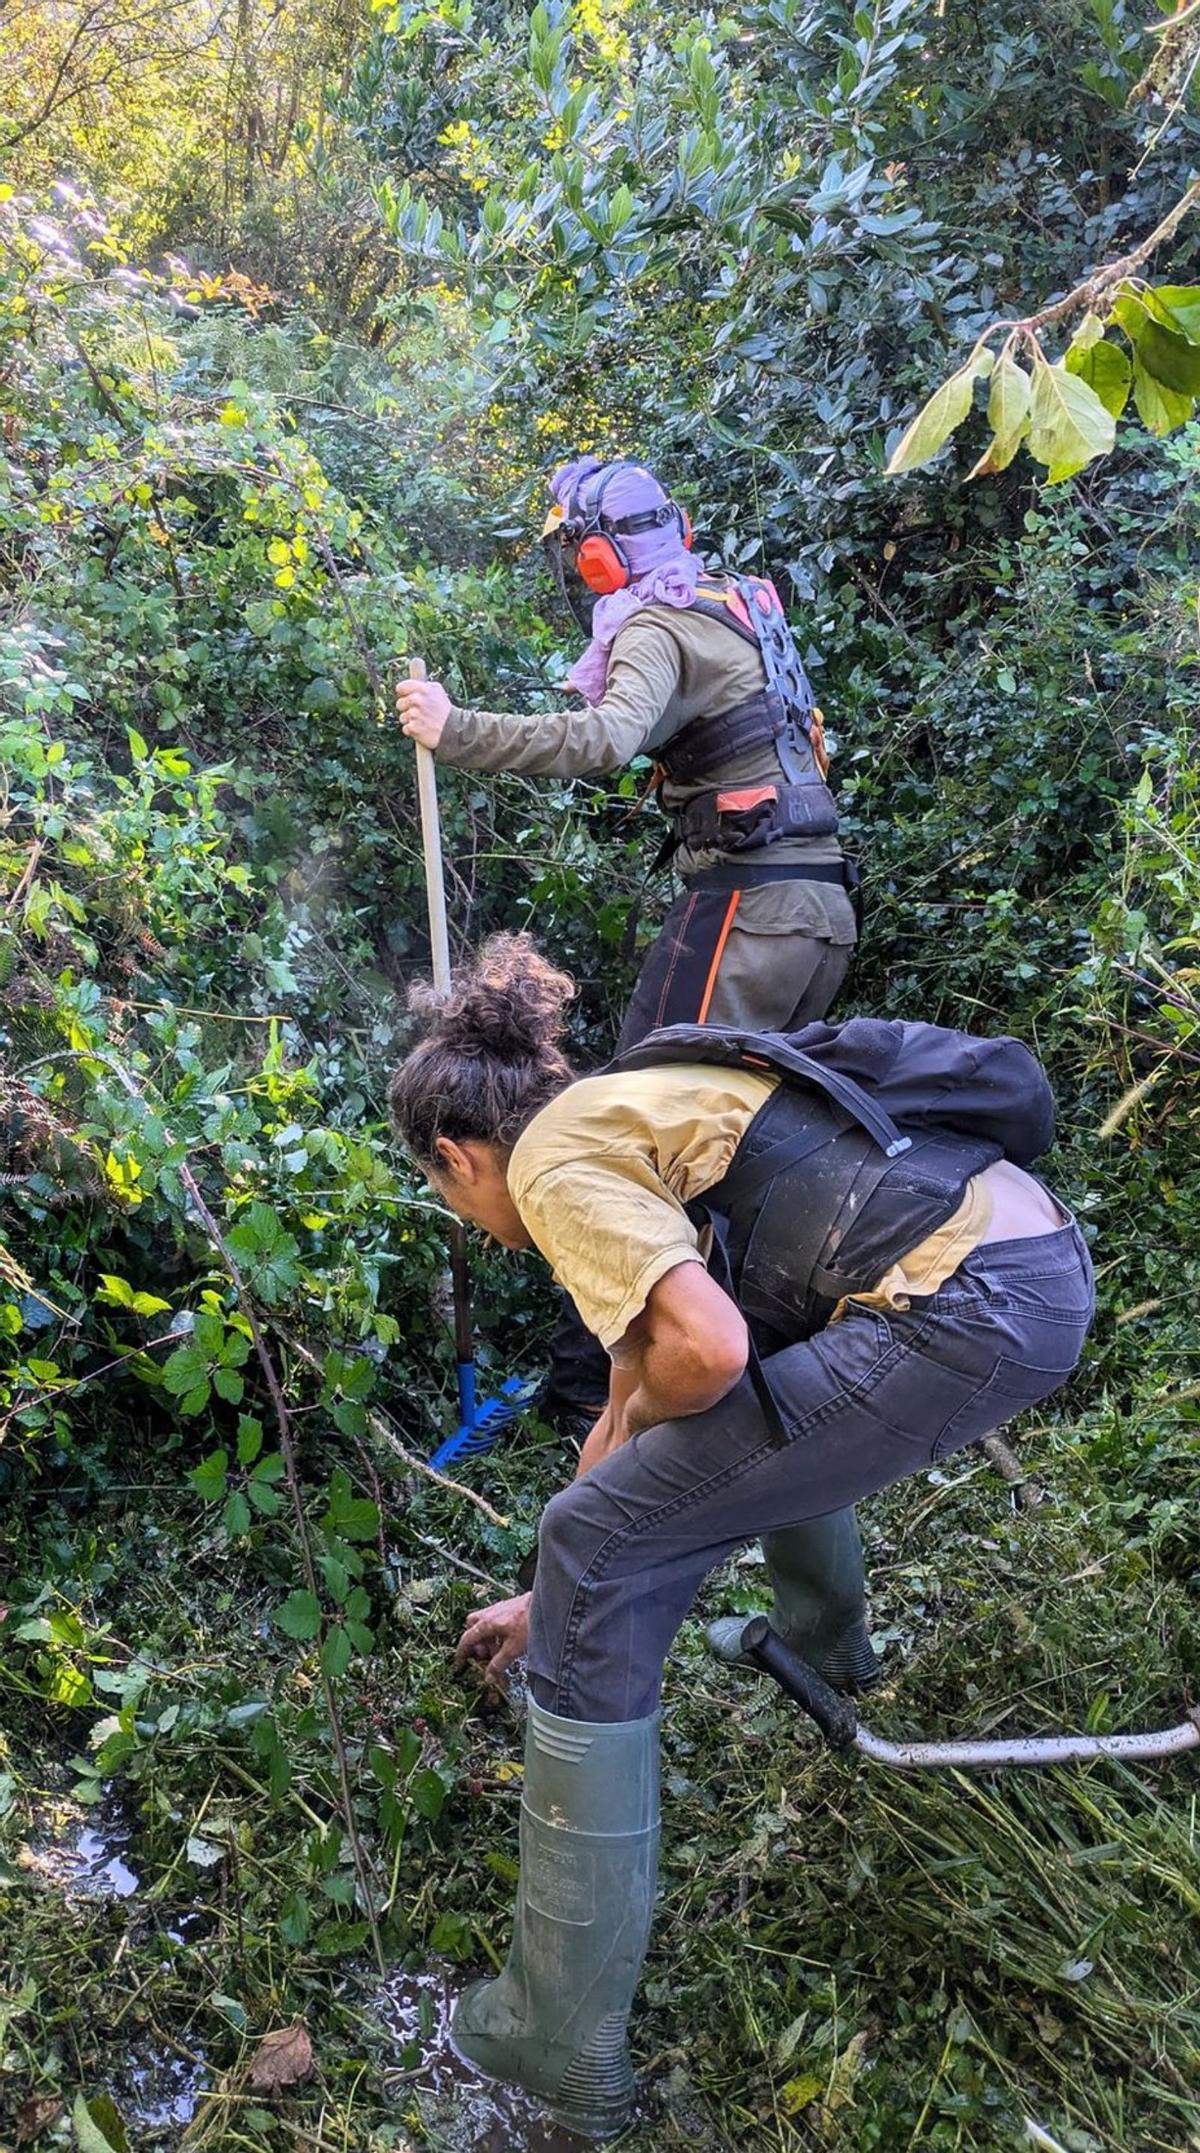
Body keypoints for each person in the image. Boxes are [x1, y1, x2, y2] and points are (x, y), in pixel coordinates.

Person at [388, 934, 1094, 2142]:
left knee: (602, 1545)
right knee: (631, 1503)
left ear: (456, 1157)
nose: (470, 1215)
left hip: (966, 1305)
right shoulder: (625, 1108)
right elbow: (632, 1400)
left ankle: (556, 2042)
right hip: (1028, 1265)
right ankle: (828, 1655)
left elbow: (701, 1358)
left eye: (448, 1194)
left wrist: (576, 1565)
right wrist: (532, 1594)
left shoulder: (557, 1163)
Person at [396, 452, 872, 1696]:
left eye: (573, 550)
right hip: (816, 908)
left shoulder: (659, 622)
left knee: (623, 1140)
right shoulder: (735, 602)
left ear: (596, 552)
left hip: (752, 905)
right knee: (722, 1207)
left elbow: (611, 736)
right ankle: (721, 1471)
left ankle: (613, 1420)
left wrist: (458, 731)